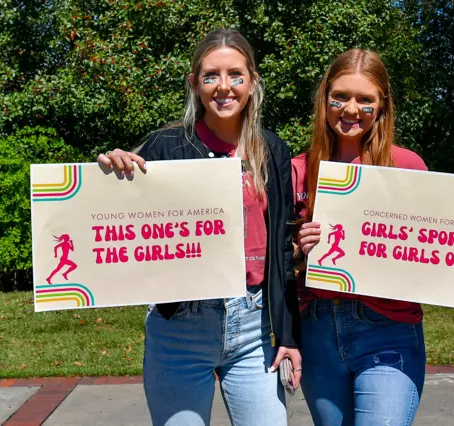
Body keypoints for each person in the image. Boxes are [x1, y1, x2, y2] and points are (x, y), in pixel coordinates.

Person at [291, 48, 454, 426]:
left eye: (365, 100)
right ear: (325, 98)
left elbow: (435, 244)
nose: (350, 109)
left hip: (388, 330)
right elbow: (277, 259)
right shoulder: (298, 169)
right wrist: (299, 249)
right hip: (317, 332)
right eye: (341, 97)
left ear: (381, 106)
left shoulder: (407, 166)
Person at [97, 29, 301, 426]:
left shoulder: (272, 148)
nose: (224, 87)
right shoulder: (164, 147)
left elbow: (281, 248)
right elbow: (124, 222)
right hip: (180, 328)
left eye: (235, 75)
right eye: (211, 76)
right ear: (194, 83)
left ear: (252, 81)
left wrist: (289, 336)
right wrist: (114, 172)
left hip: (253, 325)